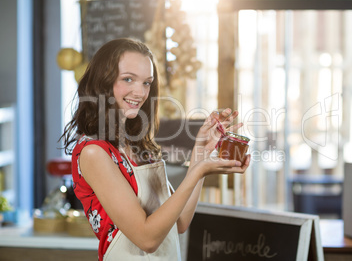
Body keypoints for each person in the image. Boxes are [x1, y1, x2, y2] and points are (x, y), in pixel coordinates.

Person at [60, 38, 250, 261]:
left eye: (146, 83)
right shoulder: (94, 152)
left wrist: (200, 153)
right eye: (128, 79)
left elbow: (179, 223)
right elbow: (147, 239)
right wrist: (199, 171)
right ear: (103, 82)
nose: (140, 93)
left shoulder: (140, 146)